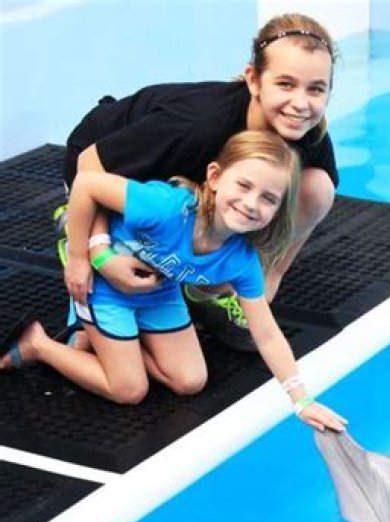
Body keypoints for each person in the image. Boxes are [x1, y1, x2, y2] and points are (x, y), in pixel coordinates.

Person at [0, 130, 347, 433]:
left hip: (158, 291)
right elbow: (87, 184)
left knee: (189, 381)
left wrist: (301, 400)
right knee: (128, 388)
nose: (250, 204)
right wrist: (83, 257)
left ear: (278, 209)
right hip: (104, 281)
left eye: (268, 198)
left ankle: (103, 340)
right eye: (243, 185)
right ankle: (38, 345)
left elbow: (267, 334)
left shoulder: (241, 261)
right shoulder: (168, 207)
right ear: (214, 176)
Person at [59, 12, 338, 345]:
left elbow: (312, 197)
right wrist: (96, 252)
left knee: (316, 189)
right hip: (104, 171)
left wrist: (266, 279)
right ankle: (71, 227)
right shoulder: (198, 125)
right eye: (285, 84)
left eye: (316, 89)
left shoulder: (307, 129)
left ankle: (219, 290)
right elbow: (90, 165)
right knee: (113, 327)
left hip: (187, 188)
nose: (301, 104)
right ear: (253, 80)